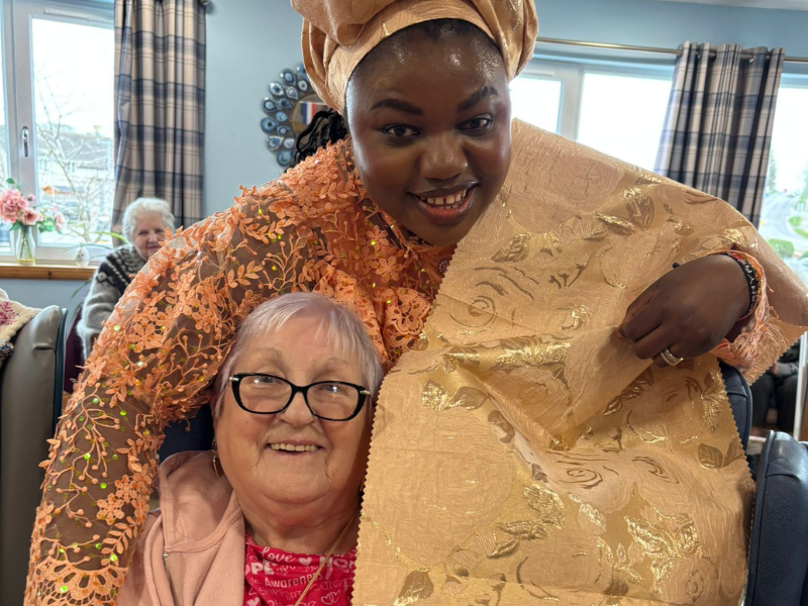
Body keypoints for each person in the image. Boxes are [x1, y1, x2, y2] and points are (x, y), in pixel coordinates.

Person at [25, 1, 806, 603]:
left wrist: (737, 284)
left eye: (478, 121)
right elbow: (115, 399)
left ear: (510, 107)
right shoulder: (275, 234)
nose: (444, 163)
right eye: (398, 129)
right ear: (346, 122)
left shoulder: (570, 191)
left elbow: (766, 290)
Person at [116, 293, 381, 606]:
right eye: (265, 379)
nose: (298, 414)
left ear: (373, 419)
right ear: (218, 409)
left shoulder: (430, 553)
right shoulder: (145, 555)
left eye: (332, 387)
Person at [77, 197, 173, 357]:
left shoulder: (182, 262)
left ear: (168, 232)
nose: (153, 238)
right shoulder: (114, 264)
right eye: (143, 232)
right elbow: (94, 313)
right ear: (131, 237)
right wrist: (137, 330)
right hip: (126, 351)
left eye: (158, 230)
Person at [751, 341, 801, 433]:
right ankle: (753, 434)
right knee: (759, 382)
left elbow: (803, 364)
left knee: (794, 384)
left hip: (790, 372)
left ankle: (787, 436)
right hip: (761, 370)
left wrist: (779, 368)